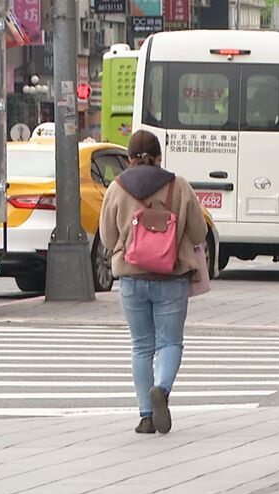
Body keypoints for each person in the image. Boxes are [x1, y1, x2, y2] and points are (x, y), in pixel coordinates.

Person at [99, 130, 208, 434]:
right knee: (170, 342)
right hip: (171, 275)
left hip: (132, 278)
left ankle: (146, 416)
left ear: (129, 158)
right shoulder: (179, 186)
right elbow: (199, 234)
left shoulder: (116, 188)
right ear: (159, 157)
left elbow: (108, 238)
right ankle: (162, 388)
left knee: (141, 347)